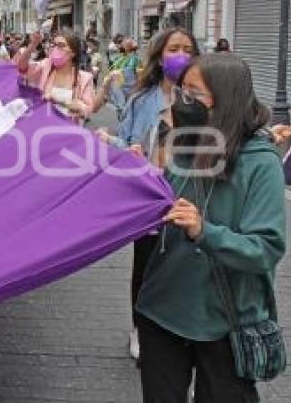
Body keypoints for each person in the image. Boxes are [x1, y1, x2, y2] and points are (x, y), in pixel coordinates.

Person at [137, 53, 286, 402]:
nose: (182, 102)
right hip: (162, 309)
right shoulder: (182, 145)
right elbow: (158, 206)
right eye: (181, 91)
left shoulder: (261, 163)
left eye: (194, 94)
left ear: (225, 101)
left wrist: (205, 231)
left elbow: (265, 248)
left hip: (224, 320)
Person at [97, 27, 199, 361]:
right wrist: (126, 150)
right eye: (173, 48)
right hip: (151, 198)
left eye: (187, 49)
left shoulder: (203, 98)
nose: (180, 55)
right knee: (146, 265)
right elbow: (126, 141)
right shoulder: (142, 100)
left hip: (192, 196)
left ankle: (182, 331)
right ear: (159, 56)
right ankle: (140, 328)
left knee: (187, 264)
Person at [16, 30, 95, 124]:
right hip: (43, 129)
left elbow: (86, 110)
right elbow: (22, 67)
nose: (56, 49)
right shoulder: (45, 67)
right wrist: (33, 44)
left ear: (73, 53)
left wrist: (59, 100)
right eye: (55, 45)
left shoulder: (84, 79)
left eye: (61, 45)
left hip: (68, 133)